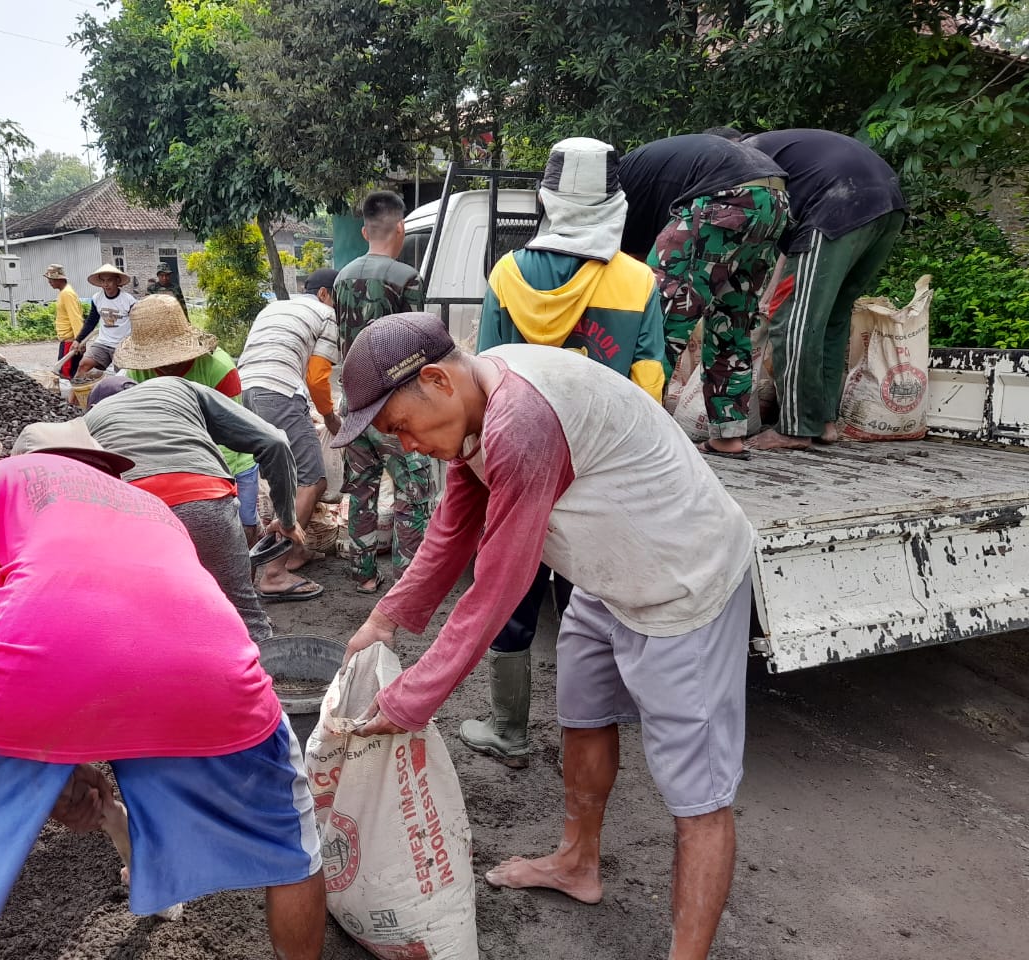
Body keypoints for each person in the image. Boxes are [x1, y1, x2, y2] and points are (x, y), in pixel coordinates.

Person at [336, 313, 755, 960]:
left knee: (697, 795)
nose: (407, 447)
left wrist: (410, 699)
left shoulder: (520, 422)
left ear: (436, 380)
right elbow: (453, 527)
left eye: (399, 427)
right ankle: (577, 862)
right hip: (606, 575)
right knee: (584, 718)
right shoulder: (472, 409)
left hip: (681, 580)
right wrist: (383, 620)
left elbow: (498, 585)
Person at [0, 421, 325, 960]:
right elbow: (140, 647)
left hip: (41, 665)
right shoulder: (153, 509)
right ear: (103, 468)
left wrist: (51, 767)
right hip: (216, 669)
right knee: (295, 842)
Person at [465, 136, 666, 767]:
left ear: (548, 198)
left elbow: (489, 375)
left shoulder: (507, 274)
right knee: (594, 598)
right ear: (615, 201)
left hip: (524, 468)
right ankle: (595, 728)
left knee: (513, 588)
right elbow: (649, 383)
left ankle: (510, 729)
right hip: (603, 471)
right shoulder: (637, 281)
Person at [87, 352, 320, 625]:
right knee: (245, 615)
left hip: (134, 514)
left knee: (153, 618)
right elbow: (275, 442)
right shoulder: (176, 388)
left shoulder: (87, 425)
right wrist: (288, 520)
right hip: (203, 497)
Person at [618, 132, 790, 458]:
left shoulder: (622, 183)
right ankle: (729, 436)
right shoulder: (659, 163)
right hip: (775, 203)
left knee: (658, 320)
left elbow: (628, 261)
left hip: (724, 199)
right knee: (732, 321)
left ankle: (635, 437)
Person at [737, 128, 906, 452]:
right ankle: (824, 422)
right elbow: (791, 248)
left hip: (839, 204)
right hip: (888, 204)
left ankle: (796, 427)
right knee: (830, 316)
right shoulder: (790, 153)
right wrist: (772, 291)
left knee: (792, 322)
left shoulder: (746, 154)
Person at [332, 190, 435, 593]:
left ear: (363, 231)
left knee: (361, 490)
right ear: (400, 228)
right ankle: (406, 583)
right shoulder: (407, 279)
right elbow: (418, 347)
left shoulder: (341, 279)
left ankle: (363, 575)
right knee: (412, 494)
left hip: (355, 405)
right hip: (397, 409)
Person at [121, 296, 273, 553]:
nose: (164, 364)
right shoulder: (135, 373)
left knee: (241, 531)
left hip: (230, 457)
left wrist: (217, 489)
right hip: (168, 459)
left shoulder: (219, 368)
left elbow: (233, 434)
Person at [237, 267, 343, 576]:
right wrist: (329, 417)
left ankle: (297, 548)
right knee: (313, 480)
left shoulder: (274, 308)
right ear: (325, 294)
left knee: (286, 479)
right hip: (278, 392)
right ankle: (277, 569)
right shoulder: (326, 314)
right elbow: (318, 377)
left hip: (245, 392)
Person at [69, 264, 137, 378]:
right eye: (103, 281)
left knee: (123, 376)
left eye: (110, 280)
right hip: (103, 343)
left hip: (123, 345)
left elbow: (137, 324)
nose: (106, 284)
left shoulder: (128, 301)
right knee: (83, 365)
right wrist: (78, 340)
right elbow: (91, 321)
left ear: (117, 281)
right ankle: (75, 395)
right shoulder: (97, 298)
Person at [44, 264, 83, 379]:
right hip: (66, 340)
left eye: (51, 280)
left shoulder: (67, 294)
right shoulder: (63, 292)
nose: (49, 282)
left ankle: (74, 396)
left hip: (70, 341)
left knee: (68, 374)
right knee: (66, 372)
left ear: (59, 279)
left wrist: (79, 340)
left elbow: (75, 318)